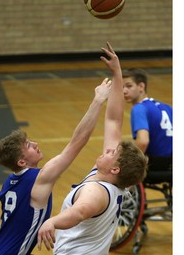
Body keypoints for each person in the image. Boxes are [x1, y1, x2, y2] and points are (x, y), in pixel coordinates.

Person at [37, 42, 148, 255]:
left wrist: (52, 222)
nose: (108, 150)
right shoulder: (110, 180)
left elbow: (79, 212)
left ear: (115, 169)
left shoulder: (95, 191)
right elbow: (114, 120)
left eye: (112, 153)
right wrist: (117, 72)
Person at [0, 75, 114, 255]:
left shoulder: (11, 181)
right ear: (22, 162)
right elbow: (77, 142)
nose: (36, 144)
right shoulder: (38, 178)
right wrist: (98, 100)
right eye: (29, 146)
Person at [122, 68, 173, 183]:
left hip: (152, 165)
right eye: (122, 87)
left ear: (141, 86)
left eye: (128, 86)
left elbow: (143, 141)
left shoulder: (139, 108)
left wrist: (131, 163)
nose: (124, 91)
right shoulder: (167, 107)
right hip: (171, 165)